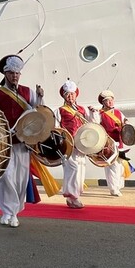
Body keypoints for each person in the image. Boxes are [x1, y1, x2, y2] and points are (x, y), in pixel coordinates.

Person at [0, 55, 44, 228]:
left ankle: (12, 212)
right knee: (4, 176)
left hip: (23, 142)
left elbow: (38, 113)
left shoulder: (28, 92)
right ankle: (8, 210)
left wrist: (40, 97)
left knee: (21, 178)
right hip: (4, 142)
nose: (15, 76)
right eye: (12, 73)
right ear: (5, 73)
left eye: (18, 73)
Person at [55, 81, 92, 209]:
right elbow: (56, 127)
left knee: (81, 168)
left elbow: (92, 123)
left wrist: (94, 113)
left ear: (76, 95)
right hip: (68, 144)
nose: (70, 96)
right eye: (67, 94)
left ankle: (74, 196)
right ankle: (72, 196)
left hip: (82, 144)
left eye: (72, 94)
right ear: (64, 96)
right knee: (73, 169)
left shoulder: (83, 109)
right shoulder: (60, 110)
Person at [95, 90, 134, 197]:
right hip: (108, 143)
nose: (110, 102)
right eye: (108, 101)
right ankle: (113, 188)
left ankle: (118, 186)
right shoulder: (99, 114)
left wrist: (126, 123)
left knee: (120, 166)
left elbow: (126, 123)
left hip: (120, 142)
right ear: (103, 102)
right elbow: (95, 126)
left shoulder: (118, 112)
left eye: (111, 100)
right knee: (112, 166)